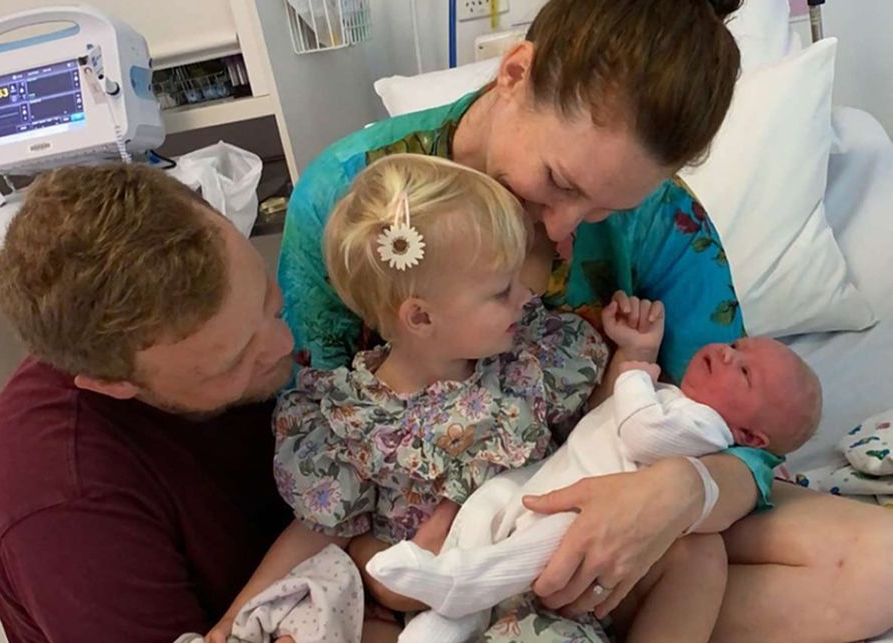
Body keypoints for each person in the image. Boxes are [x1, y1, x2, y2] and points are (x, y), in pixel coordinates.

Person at [277, 0, 893, 640]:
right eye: (559, 181)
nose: (564, 229)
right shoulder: (352, 202)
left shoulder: (663, 220)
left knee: (881, 565)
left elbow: (732, 423)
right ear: (514, 74)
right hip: (440, 541)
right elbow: (325, 442)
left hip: (622, 490)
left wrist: (679, 495)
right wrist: (404, 569)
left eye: (606, 209)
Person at [216, 153, 732, 643]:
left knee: (699, 558)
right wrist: (229, 621)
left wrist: (632, 360)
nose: (527, 296)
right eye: (501, 289)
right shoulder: (345, 418)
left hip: (537, 589)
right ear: (420, 317)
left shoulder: (529, 359)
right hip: (427, 610)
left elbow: (596, 431)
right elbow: (316, 532)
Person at [0, 164, 399, 643]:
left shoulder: (237, 339)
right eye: (232, 363)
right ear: (113, 385)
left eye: (269, 302)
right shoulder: (68, 508)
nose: (283, 343)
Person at [368, 292, 822, 643]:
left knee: (535, 546)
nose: (727, 355)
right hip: (549, 479)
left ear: (750, 437)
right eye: (737, 345)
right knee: (487, 504)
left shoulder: (705, 429)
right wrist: (639, 353)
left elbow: (642, 431)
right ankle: (447, 612)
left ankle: (461, 586)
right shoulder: (671, 399)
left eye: (744, 374)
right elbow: (612, 414)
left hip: (585, 515)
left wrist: (636, 374)